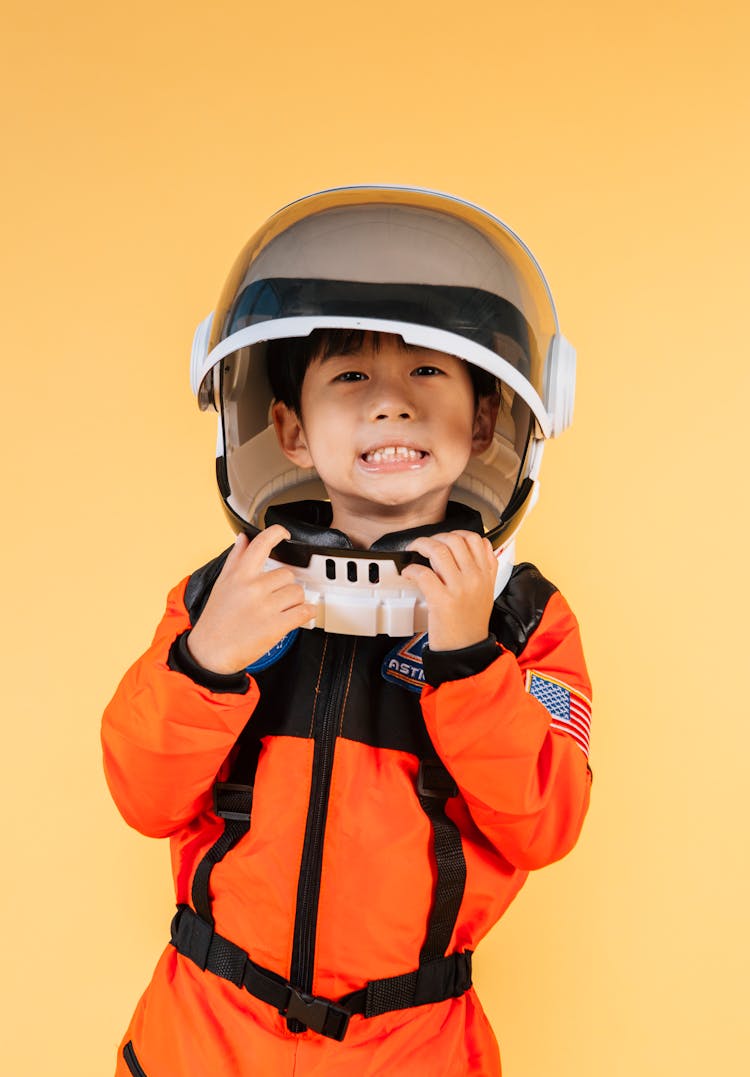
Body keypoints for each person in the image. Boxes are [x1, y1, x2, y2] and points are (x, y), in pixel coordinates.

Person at [102, 186, 592, 1077]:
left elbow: (546, 824)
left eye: (429, 372)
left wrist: (469, 660)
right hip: (207, 1031)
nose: (391, 404)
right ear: (287, 426)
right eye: (351, 376)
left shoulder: (521, 619)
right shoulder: (228, 595)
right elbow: (143, 795)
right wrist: (207, 663)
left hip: (411, 1045)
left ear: (487, 420)